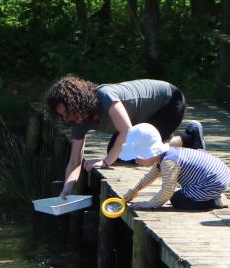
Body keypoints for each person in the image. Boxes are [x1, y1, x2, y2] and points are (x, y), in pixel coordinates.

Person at [45, 75, 205, 199]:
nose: (67, 118)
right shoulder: (78, 120)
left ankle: (189, 137)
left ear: (77, 102)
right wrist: (67, 188)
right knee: (121, 154)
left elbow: (127, 131)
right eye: (62, 115)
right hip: (142, 119)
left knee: (131, 154)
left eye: (68, 111)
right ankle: (169, 139)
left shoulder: (105, 96)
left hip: (170, 103)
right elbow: (74, 161)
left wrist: (106, 161)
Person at [120, 123, 230, 210]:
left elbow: (167, 191)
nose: (135, 160)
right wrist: (133, 191)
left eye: (138, 156)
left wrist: (150, 204)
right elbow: (149, 176)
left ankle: (212, 201)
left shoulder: (168, 162)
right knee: (180, 195)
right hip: (218, 175)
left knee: (178, 200)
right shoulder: (164, 156)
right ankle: (212, 196)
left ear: (149, 152)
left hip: (212, 182)